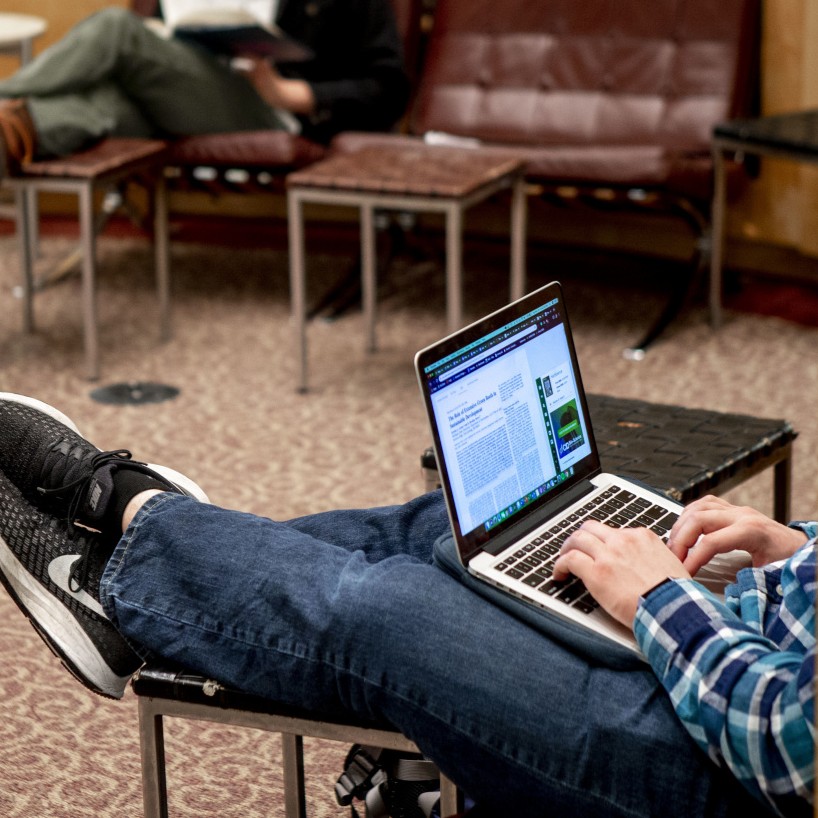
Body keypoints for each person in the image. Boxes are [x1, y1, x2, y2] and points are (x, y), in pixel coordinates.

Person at [0, 392, 812, 818]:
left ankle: (122, 519)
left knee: (391, 612)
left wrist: (661, 600)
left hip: (728, 782)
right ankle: (140, 586)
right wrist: (801, 547)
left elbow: (783, 746)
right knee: (447, 531)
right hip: (759, 634)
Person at [0, 1, 410, 174]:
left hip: (269, 111)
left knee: (114, 28)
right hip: (172, 92)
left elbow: (389, 89)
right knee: (91, 107)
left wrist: (290, 95)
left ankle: (5, 94)